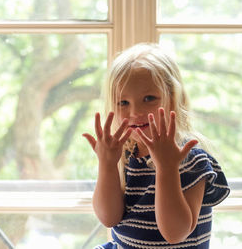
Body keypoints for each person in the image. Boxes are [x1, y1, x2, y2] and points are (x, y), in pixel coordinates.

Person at [82, 43, 229, 248]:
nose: (135, 112)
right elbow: (109, 218)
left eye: (149, 98)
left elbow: (175, 233)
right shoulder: (125, 152)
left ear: (173, 98)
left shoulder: (189, 157)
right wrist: (107, 165)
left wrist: (166, 167)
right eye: (123, 102)